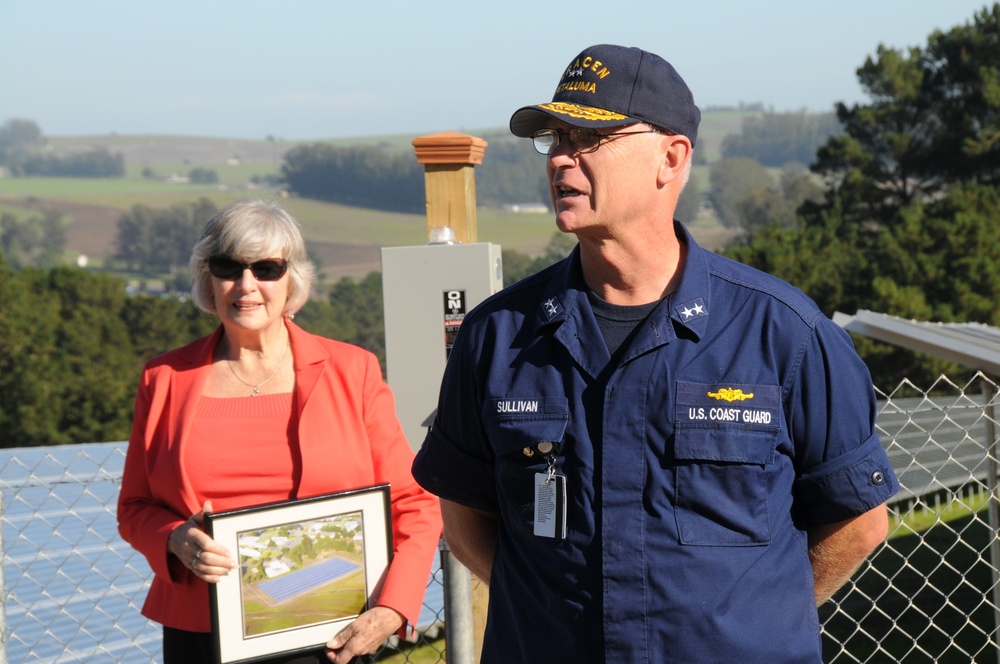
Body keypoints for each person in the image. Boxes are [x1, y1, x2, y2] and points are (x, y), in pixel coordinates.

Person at [411, 44, 898, 663]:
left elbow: (858, 520)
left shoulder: (784, 334)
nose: (561, 157)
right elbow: (465, 516)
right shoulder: (499, 336)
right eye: (556, 138)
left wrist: (751, 620)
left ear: (671, 158)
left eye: (589, 138)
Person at [118, 199, 442, 664]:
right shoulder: (163, 378)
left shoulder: (353, 371)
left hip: (328, 635)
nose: (246, 285)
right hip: (199, 634)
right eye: (228, 266)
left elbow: (415, 503)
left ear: (292, 279)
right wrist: (173, 538)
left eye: (267, 268)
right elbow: (134, 508)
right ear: (207, 277)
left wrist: (393, 607)